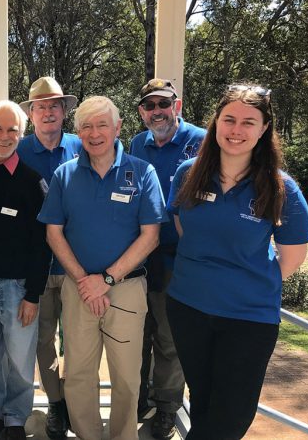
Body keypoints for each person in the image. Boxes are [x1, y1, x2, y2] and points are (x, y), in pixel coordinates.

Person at [166, 84, 308, 439]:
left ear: (264, 129)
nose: (236, 130)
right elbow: (184, 227)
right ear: (216, 124)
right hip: (189, 307)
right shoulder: (188, 173)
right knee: (202, 403)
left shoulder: (281, 188)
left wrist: (243, 280)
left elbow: (291, 257)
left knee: (232, 416)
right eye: (229, 119)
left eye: (249, 122)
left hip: (248, 318)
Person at [38, 96, 167, 440]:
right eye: (86, 127)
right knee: (79, 372)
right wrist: (85, 280)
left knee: (126, 375)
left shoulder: (142, 172)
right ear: (78, 132)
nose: (94, 134)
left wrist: (107, 278)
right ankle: (87, 435)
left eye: (102, 125)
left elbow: (151, 236)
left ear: (118, 128)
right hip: (78, 288)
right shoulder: (64, 174)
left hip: (125, 289)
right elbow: (53, 233)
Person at [0, 101, 52, 440]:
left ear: (22, 132)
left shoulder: (33, 183)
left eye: (12, 129)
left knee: (19, 358)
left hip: (18, 287)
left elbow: (43, 242)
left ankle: (16, 417)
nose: (5, 136)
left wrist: (33, 294)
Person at [129, 78, 205, 439]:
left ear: (177, 104)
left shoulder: (202, 142)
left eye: (163, 104)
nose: (156, 111)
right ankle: (139, 399)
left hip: (179, 258)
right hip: (139, 257)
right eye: (149, 106)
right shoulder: (135, 145)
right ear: (142, 112)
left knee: (170, 338)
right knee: (136, 333)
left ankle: (166, 407)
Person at [17, 76, 81, 439]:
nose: (47, 112)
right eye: (40, 106)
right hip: (37, 265)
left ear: (63, 111)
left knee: (77, 338)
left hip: (77, 263)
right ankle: (55, 404)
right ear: (31, 114)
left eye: (53, 105)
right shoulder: (19, 150)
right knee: (42, 340)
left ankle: (74, 402)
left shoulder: (81, 145)